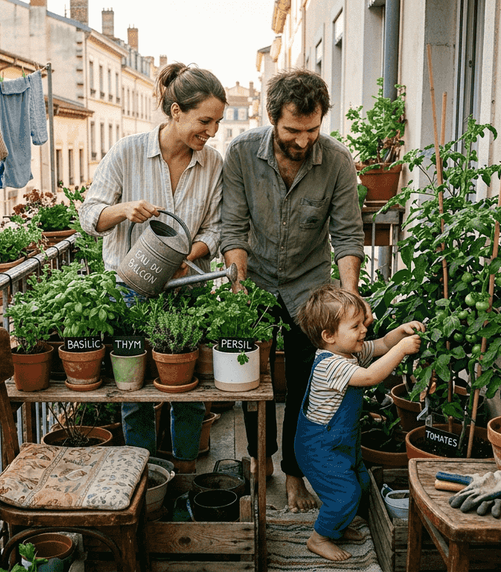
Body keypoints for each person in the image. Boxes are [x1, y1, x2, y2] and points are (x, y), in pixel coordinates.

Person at [219, 69, 367, 510]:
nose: (303, 141)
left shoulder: (337, 161)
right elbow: (233, 227)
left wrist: (348, 300)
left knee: (307, 383)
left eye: (312, 130)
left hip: (309, 285)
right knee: (249, 375)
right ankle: (258, 457)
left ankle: (295, 472)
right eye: (292, 131)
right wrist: (239, 287)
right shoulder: (242, 153)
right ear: (271, 117)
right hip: (255, 279)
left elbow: (347, 235)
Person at [78, 62, 226, 474]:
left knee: (190, 391)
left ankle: (183, 476)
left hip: (185, 290)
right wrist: (123, 210)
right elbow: (89, 217)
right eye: (204, 121)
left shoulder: (213, 164)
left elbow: (216, 228)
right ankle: (140, 475)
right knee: (133, 391)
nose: (211, 131)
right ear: (175, 111)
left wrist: (190, 256)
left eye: (216, 122)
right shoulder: (127, 152)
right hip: (129, 290)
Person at [293, 284, 424, 561]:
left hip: (342, 442)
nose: (364, 330)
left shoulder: (349, 352)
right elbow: (370, 377)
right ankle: (319, 537)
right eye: (355, 326)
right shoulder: (331, 364)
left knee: (361, 482)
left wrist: (398, 334)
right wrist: (402, 350)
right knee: (344, 493)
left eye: (362, 323)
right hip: (319, 448)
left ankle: (336, 526)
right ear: (329, 336)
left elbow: (382, 345)